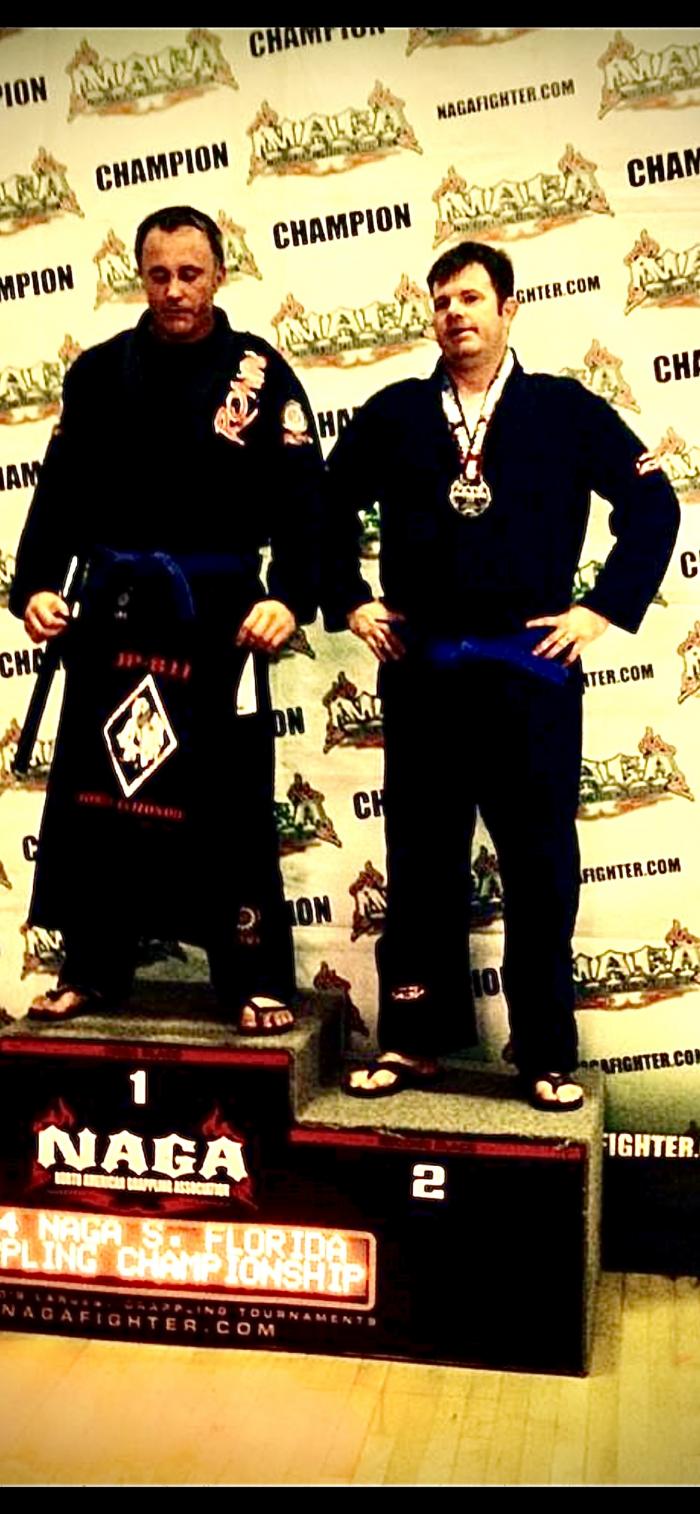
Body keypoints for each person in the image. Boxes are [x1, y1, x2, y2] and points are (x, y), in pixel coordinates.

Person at [323, 240, 679, 1109]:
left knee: (540, 866)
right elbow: (320, 506)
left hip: (530, 676)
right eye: (443, 300)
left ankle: (545, 1051)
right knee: (420, 862)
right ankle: (412, 1038)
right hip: (426, 674)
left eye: (472, 297)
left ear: (509, 307)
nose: (456, 313)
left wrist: (601, 609)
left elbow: (653, 501)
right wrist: (350, 599)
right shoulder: (397, 413)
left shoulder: (563, 409)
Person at [11, 204, 324, 1033]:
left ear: (219, 273)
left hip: (218, 615)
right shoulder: (98, 372)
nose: (175, 289)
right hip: (114, 607)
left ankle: (252, 975)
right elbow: (60, 490)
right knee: (104, 789)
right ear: (140, 278)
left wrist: (288, 596)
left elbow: (305, 502)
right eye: (159, 275)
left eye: (190, 273)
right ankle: (92, 968)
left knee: (229, 800)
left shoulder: (260, 374)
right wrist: (37, 584)